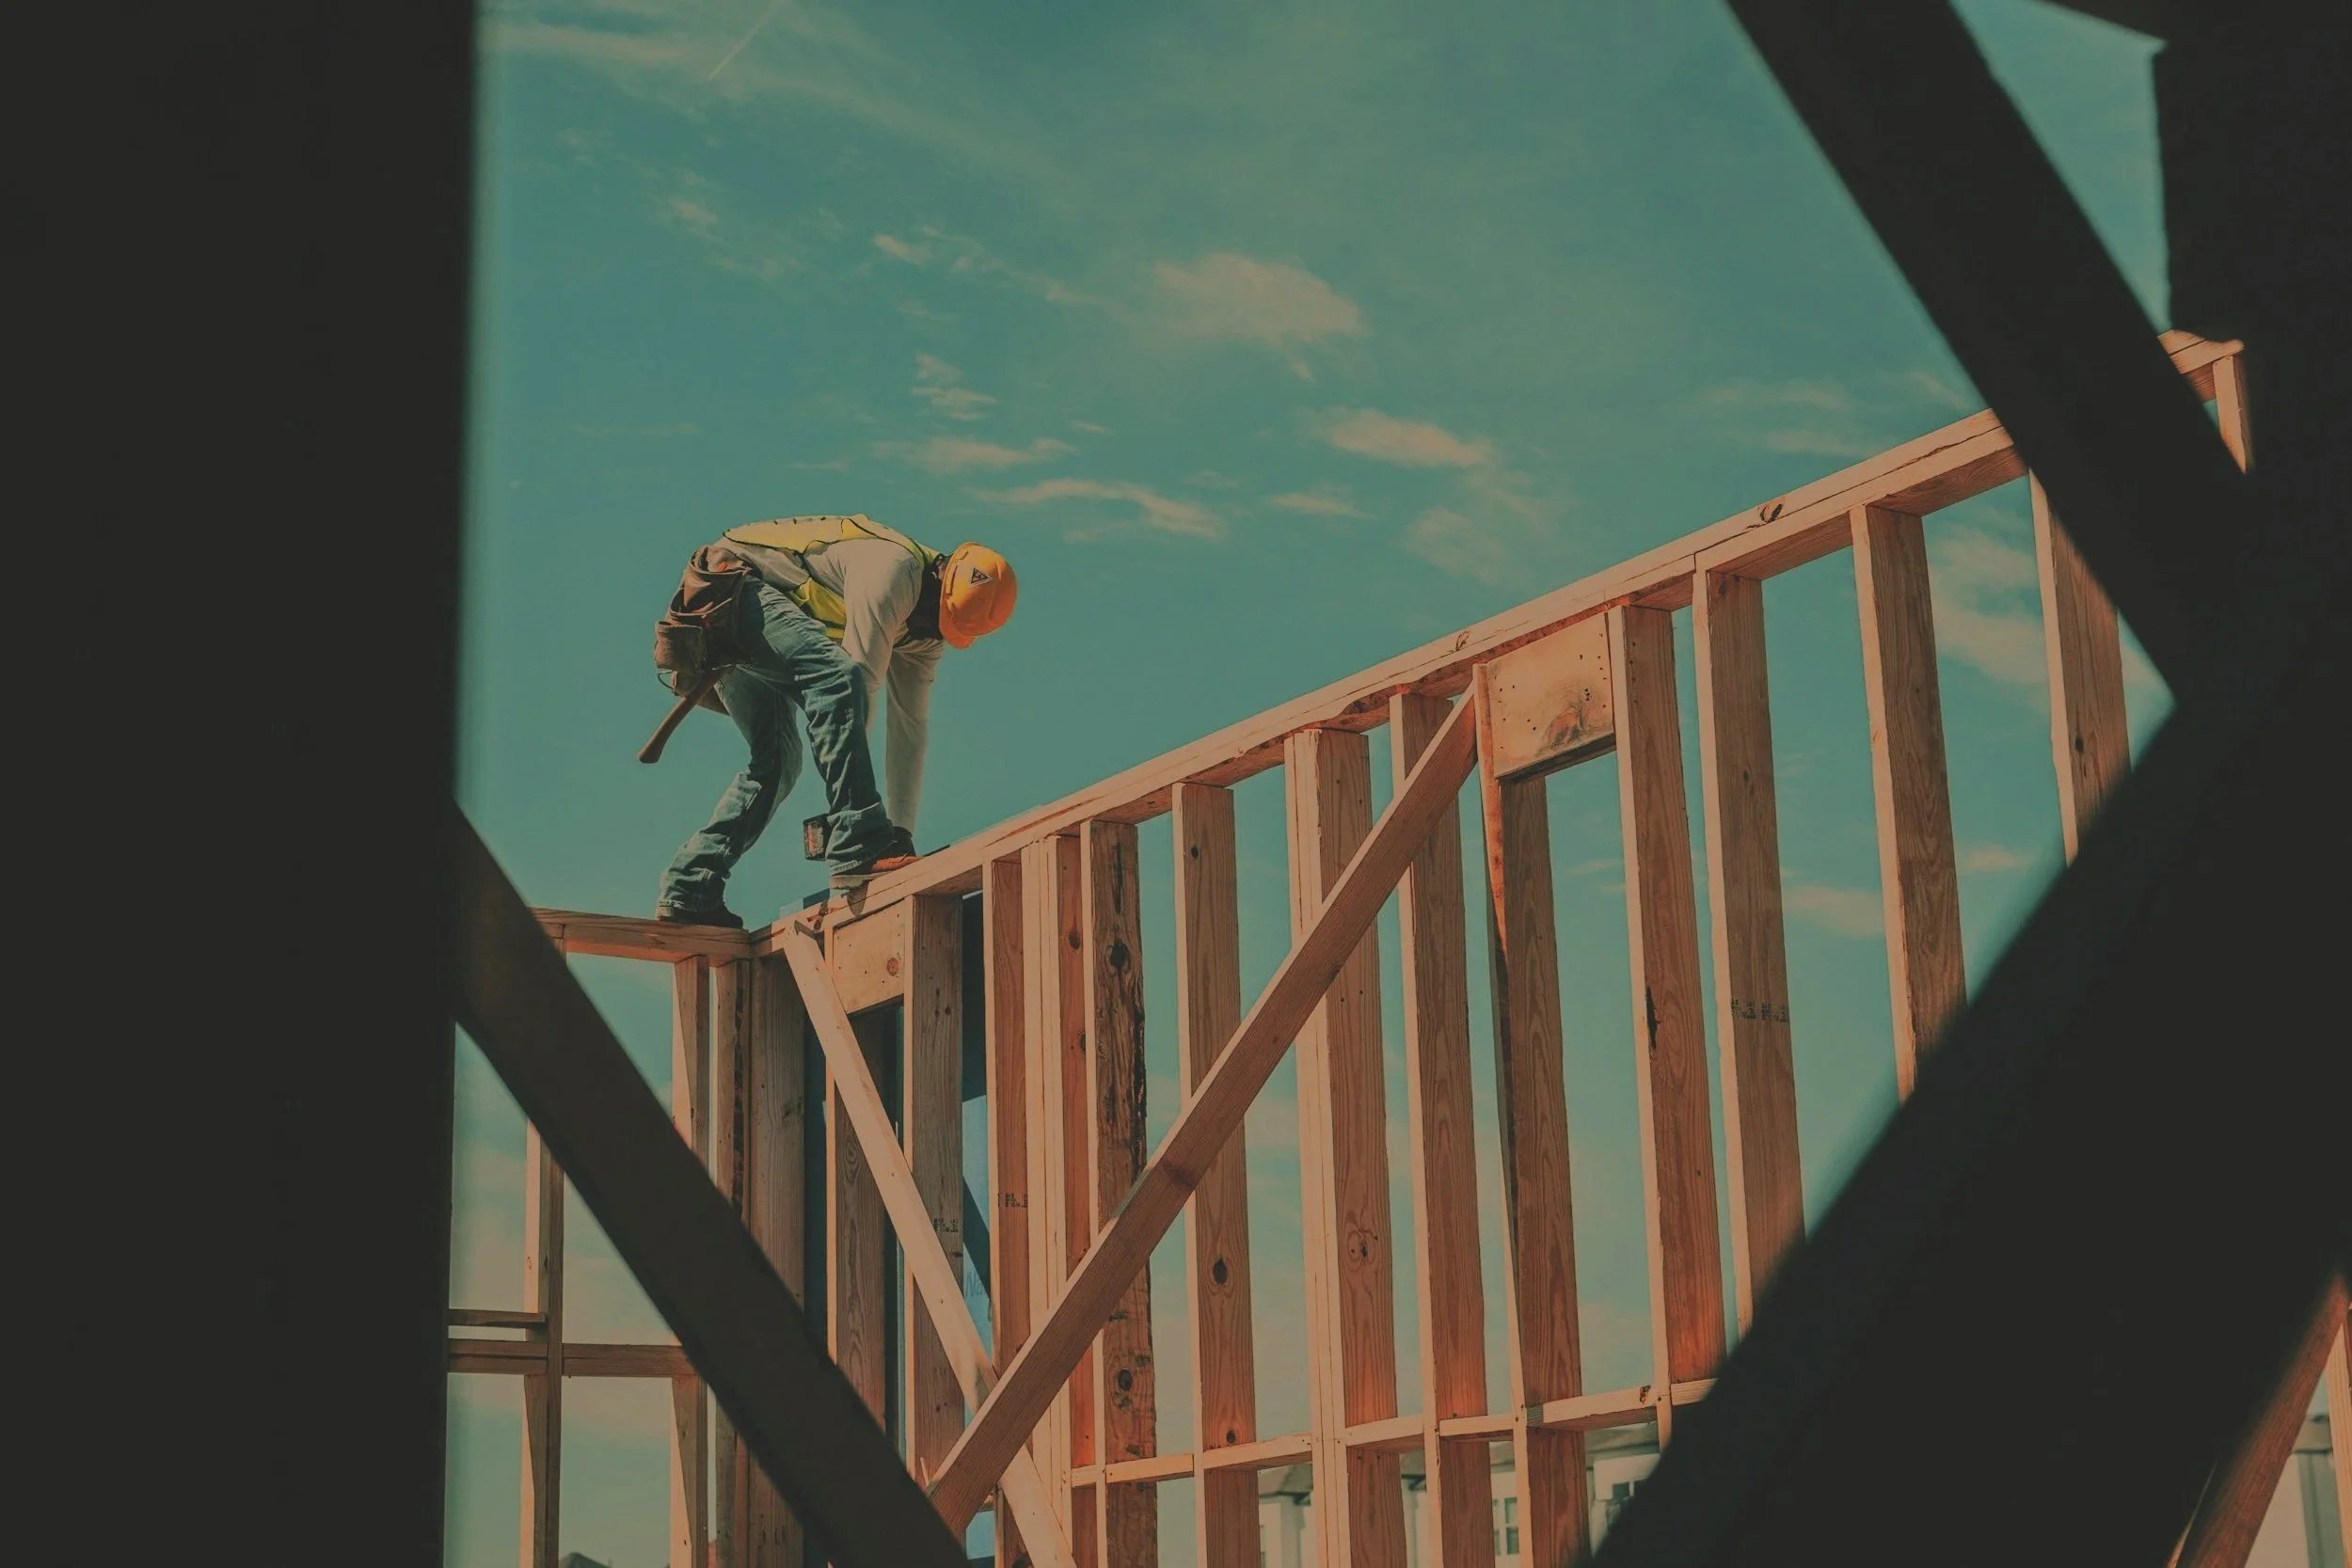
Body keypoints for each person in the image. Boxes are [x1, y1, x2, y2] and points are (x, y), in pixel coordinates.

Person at [654, 514, 1015, 927]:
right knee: (837, 678)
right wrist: (860, 831)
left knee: (777, 763)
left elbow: (910, 730)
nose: (926, 633)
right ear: (938, 577)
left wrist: (901, 833)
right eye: (932, 619)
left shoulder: (924, 634)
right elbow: (854, 685)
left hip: (753, 614)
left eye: (940, 630)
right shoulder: (893, 571)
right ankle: (858, 840)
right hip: (727, 588)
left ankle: (690, 887)